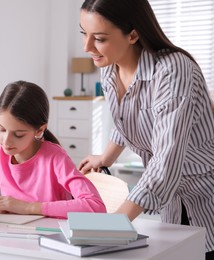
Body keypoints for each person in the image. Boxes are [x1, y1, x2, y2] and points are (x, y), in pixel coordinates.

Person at [77, 0, 214, 257]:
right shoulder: (110, 69)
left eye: (100, 38)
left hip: (205, 196)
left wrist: (116, 222)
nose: (87, 47)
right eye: (84, 34)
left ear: (133, 34)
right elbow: (128, 120)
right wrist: (106, 157)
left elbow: (165, 159)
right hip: (172, 203)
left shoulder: (173, 70)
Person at [0, 80, 106, 219]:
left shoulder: (55, 158)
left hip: (50, 239)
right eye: (1, 129)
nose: (6, 141)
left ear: (39, 130)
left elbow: (95, 205)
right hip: (9, 235)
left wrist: (29, 207)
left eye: (18, 134)